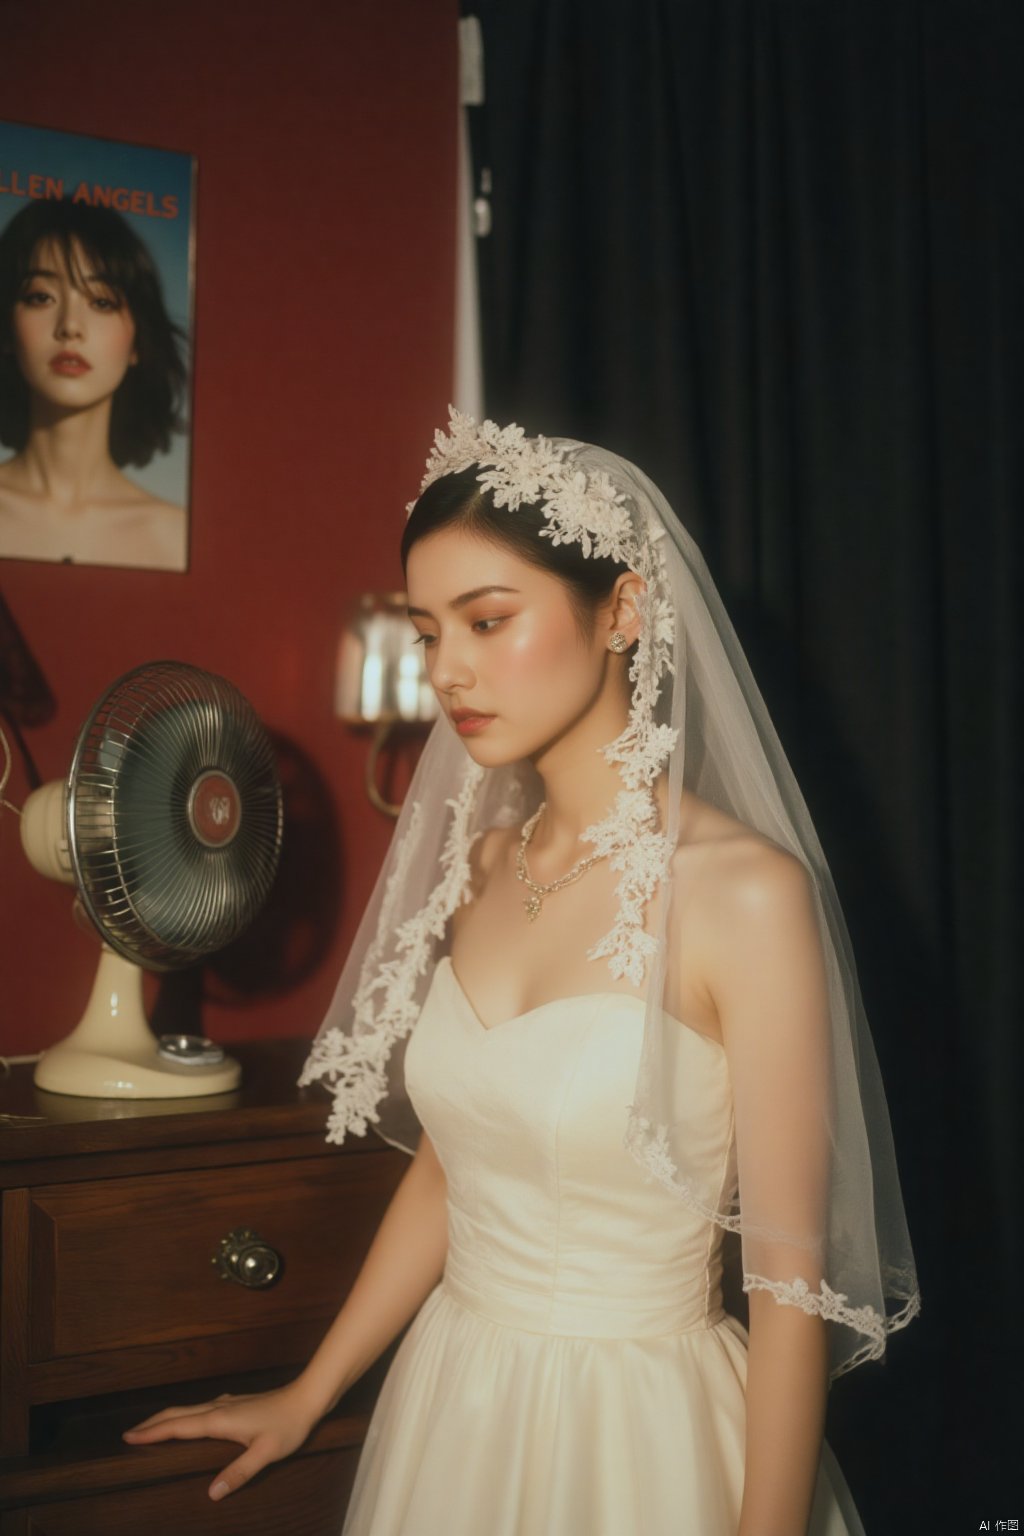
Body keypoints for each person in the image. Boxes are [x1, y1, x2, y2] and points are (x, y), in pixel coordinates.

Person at [124, 412, 921, 1534]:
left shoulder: (743, 893)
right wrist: (310, 1393)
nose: (448, 670)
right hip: (454, 1405)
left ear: (623, 611)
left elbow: (788, 1292)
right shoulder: (485, 863)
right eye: (426, 630)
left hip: (638, 1433)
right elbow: (454, 1172)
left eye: (489, 621)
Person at [0, 197, 188, 571]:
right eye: (41, 297)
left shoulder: (174, 536)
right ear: (6, 329)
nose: (70, 326)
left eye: (101, 302)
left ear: (138, 341)